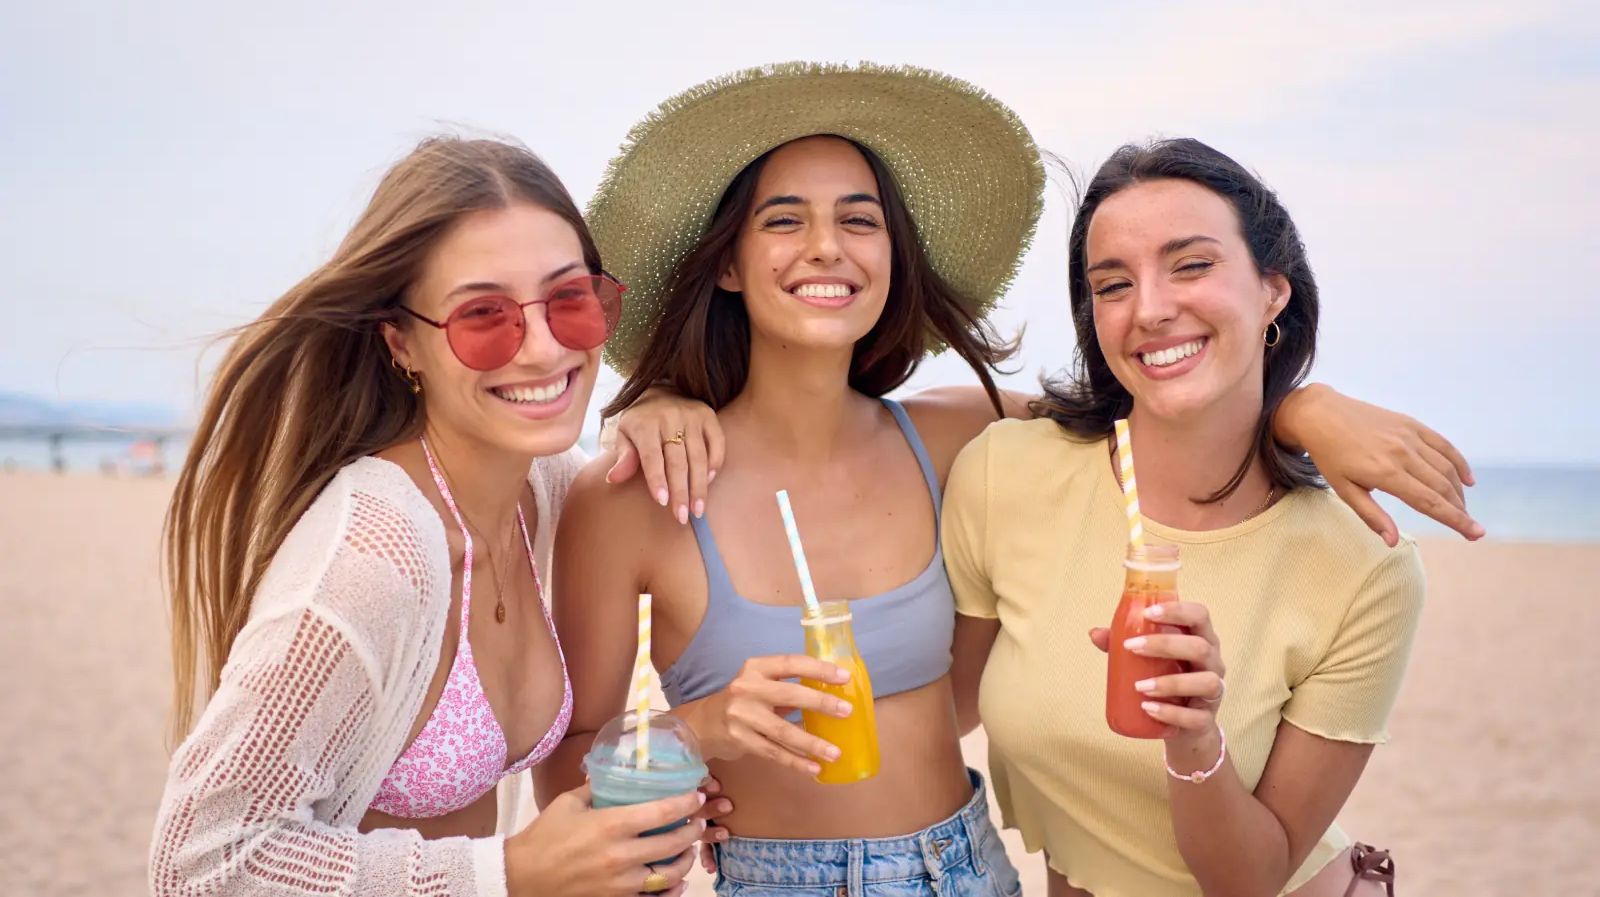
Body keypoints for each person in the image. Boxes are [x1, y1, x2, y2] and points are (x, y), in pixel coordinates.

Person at [543, 63, 1473, 897]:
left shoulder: (961, 437)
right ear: (730, 264)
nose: (826, 246)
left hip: (970, 867)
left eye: (859, 220)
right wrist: (702, 727)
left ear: (891, 258)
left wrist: (1302, 409)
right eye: (783, 219)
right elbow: (567, 773)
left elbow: (1160, 403)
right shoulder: (632, 493)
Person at [149, 136, 727, 897]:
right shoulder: (369, 558)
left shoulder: (544, 493)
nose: (545, 346)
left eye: (570, 300)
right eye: (483, 315)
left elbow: (606, 475)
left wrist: (654, 409)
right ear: (401, 343)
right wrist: (512, 871)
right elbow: (199, 862)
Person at [942, 138, 1424, 896]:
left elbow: (1252, 878)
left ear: (1273, 290)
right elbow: (940, 717)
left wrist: (1195, 739)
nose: (1152, 309)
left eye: (1192, 265)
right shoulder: (1008, 473)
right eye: (1112, 285)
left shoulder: (1364, 567)